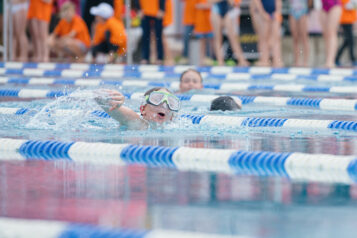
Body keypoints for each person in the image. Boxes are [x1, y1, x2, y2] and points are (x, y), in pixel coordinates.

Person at [96, 87, 181, 130]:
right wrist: (113, 99)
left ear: (171, 117)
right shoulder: (139, 124)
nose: (164, 105)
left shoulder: (176, 129)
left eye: (171, 103)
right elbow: (98, 96)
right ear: (143, 109)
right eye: (157, 99)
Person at [209, 0, 249, 66]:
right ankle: (220, 61)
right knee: (218, 38)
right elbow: (209, 1)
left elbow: (232, 3)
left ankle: (241, 60)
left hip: (228, 12)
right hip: (216, 12)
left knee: (233, 38)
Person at [253, 0, 283, 67]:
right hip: (262, 12)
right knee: (263, 37)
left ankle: (277, 59)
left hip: (274, 12)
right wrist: (262, 13)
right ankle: (264, 60)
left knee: (276, 38)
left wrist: (277, 12)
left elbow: (278, 2)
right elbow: (257, 2)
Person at [135, 0, 166, 64]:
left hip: (157, 11)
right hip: (144, 12)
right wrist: (139, 9)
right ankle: (145, 57)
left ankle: (160, 58)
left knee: (158, 36)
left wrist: (162, 9)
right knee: (145, 36)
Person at [320, 0, 342, 68]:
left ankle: (331, 61)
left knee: (331, 32)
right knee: (326, 35)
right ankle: (327, 60)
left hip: (334, 4)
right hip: (323, 6)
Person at [335, 0, 357, 66]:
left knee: (347, 42)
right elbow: (348, 6)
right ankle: (353, 60)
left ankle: (336, 58)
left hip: (349, 21)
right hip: (345, 21)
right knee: (350, 41)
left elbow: (353, 9)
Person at [289, 0, 310, 67]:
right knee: (295, 38)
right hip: (293, 11)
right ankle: (297, 61)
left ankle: (305, 61)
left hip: (303, 10)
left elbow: (310, 2)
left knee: (304, 37)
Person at [194, 0, 213, 65]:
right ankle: (201, 60)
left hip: (209, 22)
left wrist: (203, 6)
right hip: (200, 22)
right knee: (202, 42)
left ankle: (209, 58)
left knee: (210, 41)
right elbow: (196, 6)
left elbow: (211, 5)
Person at [180, 0, 196, 64]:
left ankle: (208, 57)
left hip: (202, 17)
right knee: (186, 37)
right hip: (189, 18)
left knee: (206, 37)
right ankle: (185, 56)